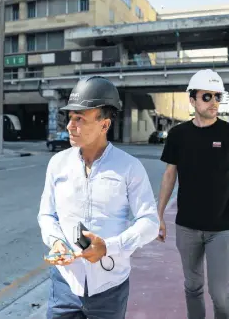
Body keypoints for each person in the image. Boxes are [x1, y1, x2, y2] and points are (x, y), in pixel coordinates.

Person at [37, 76, 160, 319]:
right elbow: (47, 214)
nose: (71, 126)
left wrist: (108, 247)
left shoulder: (129, 167)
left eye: (80, 119)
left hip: (109, 287)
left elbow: (150, 223)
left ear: (104, 125)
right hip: (65, 285)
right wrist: (56, 241)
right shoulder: (57, 164)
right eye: (70, 118)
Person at [156, 69, 229, 319]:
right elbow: (169, 176)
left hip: (221, 228)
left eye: (217, 96)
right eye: (207, 96)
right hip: (186, 228)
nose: (214, 102)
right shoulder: (178, 135)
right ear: (193, 99)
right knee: (192, 287)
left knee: (219, 292)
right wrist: (159, 216)